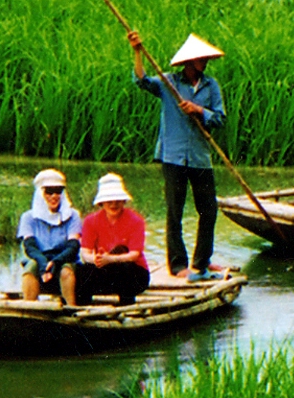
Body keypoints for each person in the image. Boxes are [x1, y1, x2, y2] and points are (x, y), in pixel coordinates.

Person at [128, 30, 224, 282]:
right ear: (189, 62)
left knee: (208, 210)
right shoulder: (168, 83)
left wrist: (199, 110)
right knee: (175, 211)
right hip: (173, 157)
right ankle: (178, 264)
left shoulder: (210, 85)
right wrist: (137, 51)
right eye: (200, 58)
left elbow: (219, 118)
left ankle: (202, 262)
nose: (204, 62)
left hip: (200, 157)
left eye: (205, 59)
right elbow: (141, 81)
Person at [76, 173, 151, 304]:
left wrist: (110, 259)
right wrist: (96, 260)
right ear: (101, 203)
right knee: (82, 271)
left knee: (124, 264)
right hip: (105, 270)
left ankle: (127, 309)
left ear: (123, 201)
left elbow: (134, 255)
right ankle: (81, 309)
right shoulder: (90, 221)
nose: (113, 205)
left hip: (133, 273)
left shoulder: (136, 220)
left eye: (118, 201)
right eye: (109, 202)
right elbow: (85, 251)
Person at [18, 168, 80, 305]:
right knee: (29, 270)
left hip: (64, 258)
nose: (54, 196)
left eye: (58, 191)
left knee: (66, 272)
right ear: (41, 193)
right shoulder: (28, 217)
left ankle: (72, 309)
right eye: (49, 191)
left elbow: (73, 246)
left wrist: (56, 262)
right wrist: (43, 263)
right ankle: (29, 308)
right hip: (40, 257)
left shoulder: (73, 215)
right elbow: (29, 246)